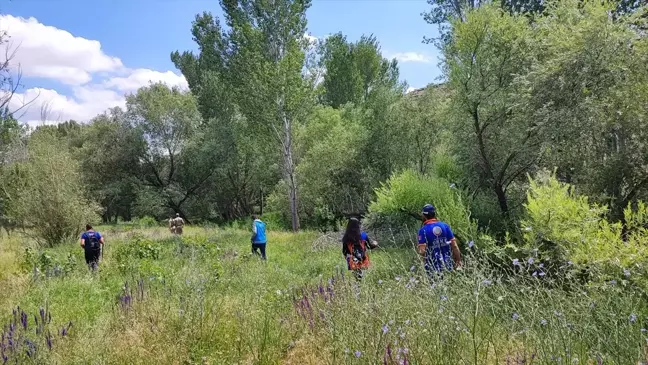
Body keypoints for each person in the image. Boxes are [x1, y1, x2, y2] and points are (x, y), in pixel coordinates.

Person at [417, 204, 461, 277]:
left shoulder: (423, 230)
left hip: (432, 267)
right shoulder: (445, 226)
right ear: (434, 214)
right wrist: (458, 260)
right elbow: (454, 246)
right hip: (447, 265)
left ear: (424, 216)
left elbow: (422, 252)